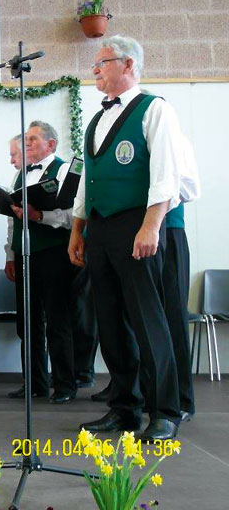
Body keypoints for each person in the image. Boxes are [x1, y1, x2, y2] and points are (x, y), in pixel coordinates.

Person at [70, 36, 184, 442]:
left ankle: (164, 411)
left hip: (137, 224)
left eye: (102, 62)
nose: (95, 70)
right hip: (100, 228)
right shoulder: (96, 120)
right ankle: (124, 409)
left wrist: (151, 226)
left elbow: (166, 175)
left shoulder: (155, 110)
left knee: (147, 320)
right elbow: (88, 178)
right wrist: (78, 229)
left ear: (129, 64)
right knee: (111, 322)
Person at [4, 121, 78, 403]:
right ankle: (34, 382)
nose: (27, 144)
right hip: (25, 254)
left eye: (33, 139)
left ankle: (65, 385)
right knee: (28, 321)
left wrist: (40, 217)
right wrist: (10, 254)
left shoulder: (62, 169)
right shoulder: (20, 174)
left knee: (58, 320)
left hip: (56, 253)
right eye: (26, 140)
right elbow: (14, 220)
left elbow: (75, 215)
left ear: (51, 144)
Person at [160, 134, 200, 422]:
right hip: (131, 233)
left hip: (168, 231)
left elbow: (188, 188)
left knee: (174, 317)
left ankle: (182, 398)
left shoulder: (176, 142)